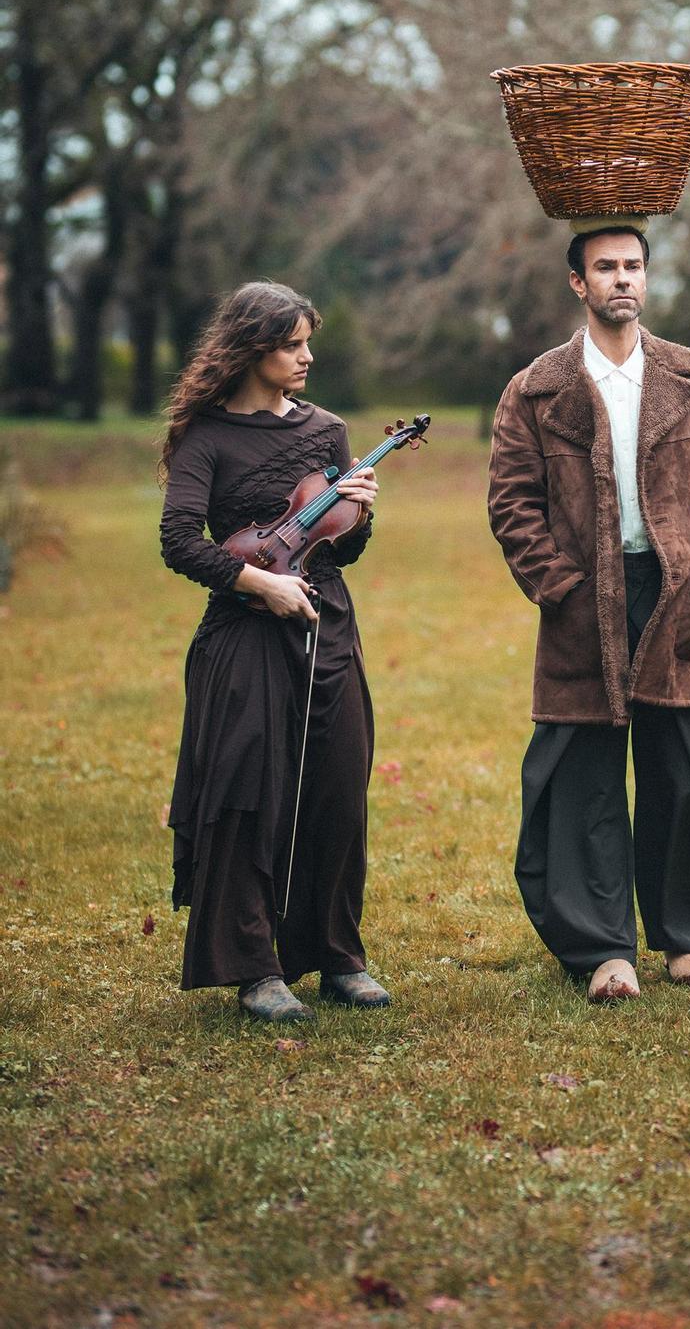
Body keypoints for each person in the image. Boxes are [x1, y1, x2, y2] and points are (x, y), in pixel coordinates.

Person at [488, 222, 690, 1003]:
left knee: (685, 770)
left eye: (633, 265)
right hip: (582, 599)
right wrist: (560, 588)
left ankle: (682, 936)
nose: (622, 279)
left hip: (677, 596)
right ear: (578, 282)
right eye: (605, 267)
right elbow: (512, 503)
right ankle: (604, 948)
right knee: (584, 778)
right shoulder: (536, 387)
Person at [160, 281, 390, 1022]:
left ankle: (338, 957)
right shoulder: (207, 435)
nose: (306, 356)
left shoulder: (327, 429)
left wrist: (356, 517)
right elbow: (178, 540)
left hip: (326, 625)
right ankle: (255, 966)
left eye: (306, 341)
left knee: (337, 790)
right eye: (292, 344)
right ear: (252, 348)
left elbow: (342, 551)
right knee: (250, 796)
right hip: (244, 632)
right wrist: (258, 582)